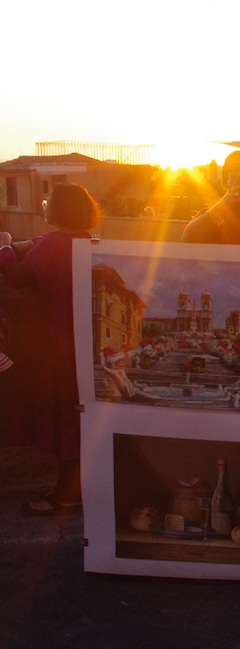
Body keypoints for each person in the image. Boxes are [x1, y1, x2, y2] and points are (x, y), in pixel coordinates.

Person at [0, 183, 102, 515]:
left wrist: (4, 245)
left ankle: (64, 499)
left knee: (65, 426)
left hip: (58, 351)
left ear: (53, 210)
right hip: (87, 347)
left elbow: (14, 277)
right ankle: (72, 492)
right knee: (80, 423)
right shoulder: (89, 241)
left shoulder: (51, 247)